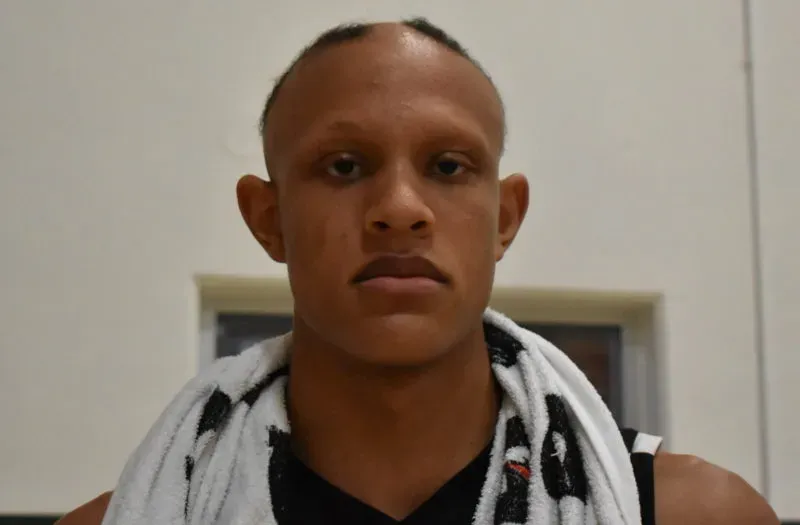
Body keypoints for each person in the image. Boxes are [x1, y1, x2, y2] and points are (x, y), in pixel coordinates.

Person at [57, 18, 778, 525]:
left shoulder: (699, 515)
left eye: (448, 167)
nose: (400, 209)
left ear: (504, 218)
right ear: (268, 219)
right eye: (344, 166)